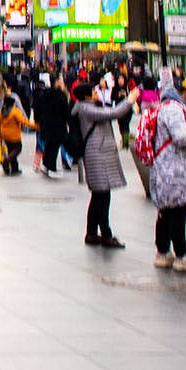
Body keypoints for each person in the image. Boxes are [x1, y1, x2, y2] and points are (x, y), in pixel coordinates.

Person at [148, 69, 186, 272]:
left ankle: (163, 252)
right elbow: (181, 138)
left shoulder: (171, 107)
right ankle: (181, 254)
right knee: (178, 210)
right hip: (173, 168)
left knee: (167, 210)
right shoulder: (174, 109)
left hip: (170, 167)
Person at [75, 79, 133, 248]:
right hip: (96, 154)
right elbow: (112, 113)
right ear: (86, 96)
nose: (96, 94)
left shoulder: (88, 107)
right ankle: (106, 234)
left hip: (98, 152)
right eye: (93, 92)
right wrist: (129, 101)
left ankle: (92, 233)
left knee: (98, 195)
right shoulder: (86, 109)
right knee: (102, 195)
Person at [0, 78, 39, 175]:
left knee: (10, 150)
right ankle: (6, 160)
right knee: (17, 149)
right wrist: (35, 126)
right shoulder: (14, 112)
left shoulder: (1, 112)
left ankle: (14, 168)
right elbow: (24, 121)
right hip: (14, 135)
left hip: (4, 134)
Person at [36, 73, 71, 176]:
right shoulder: (61, 96)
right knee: (55, 146)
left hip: (46, 124)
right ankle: (51, 166)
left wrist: (38, 120)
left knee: (48, 145)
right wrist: (69, 122)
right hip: (58, 125)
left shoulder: (44, 95)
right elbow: (66, 111)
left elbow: (37, 108)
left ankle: (46, 165)